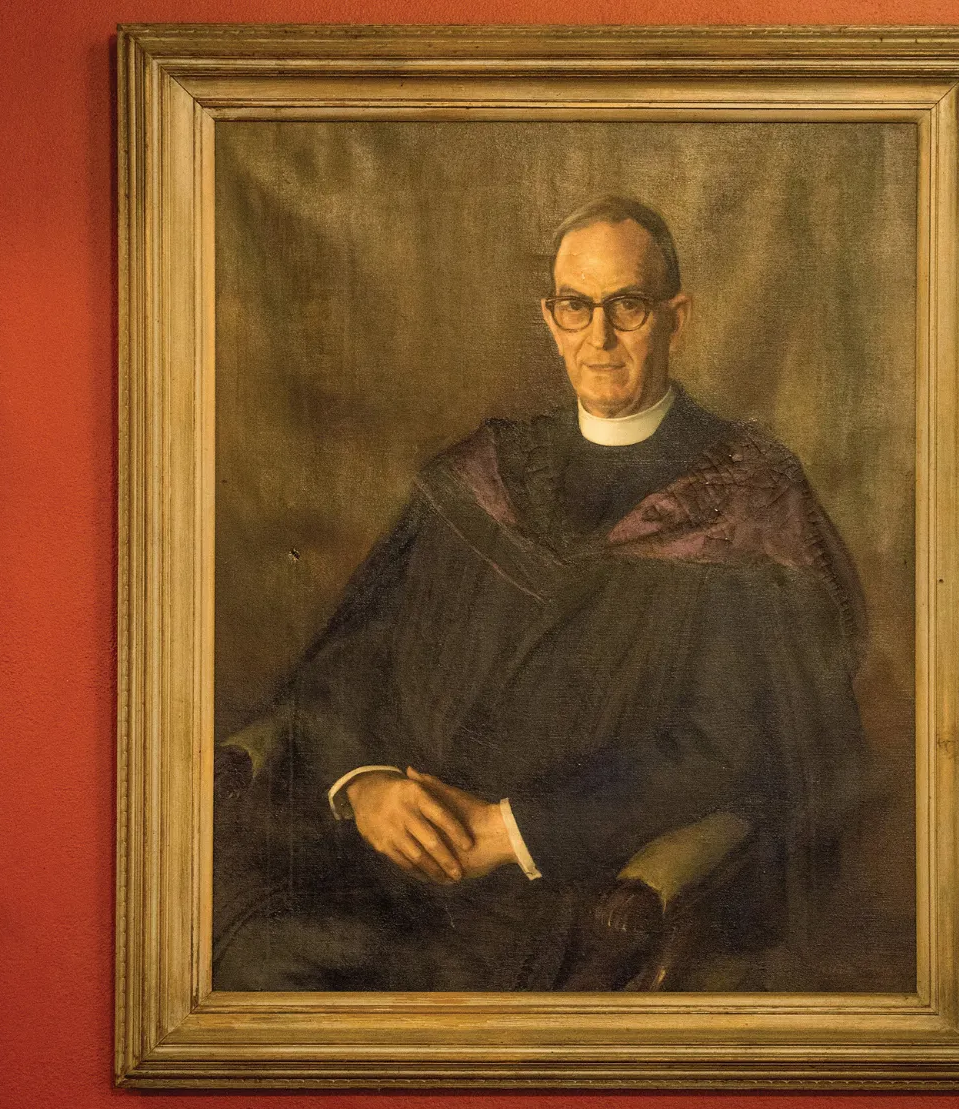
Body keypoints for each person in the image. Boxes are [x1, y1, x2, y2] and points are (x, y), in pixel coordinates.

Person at [213, 196, 868, 992]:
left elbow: (732, 747)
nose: (598, 337)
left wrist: (513, 831)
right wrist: (366, 786)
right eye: (574, 307)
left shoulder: (744, 503)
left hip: (563, 890)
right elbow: (359, 654)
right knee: (249, 953)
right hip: (385, 863)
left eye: (625, 306)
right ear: (551, 318)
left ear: (675, 316)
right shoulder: (483, 473)